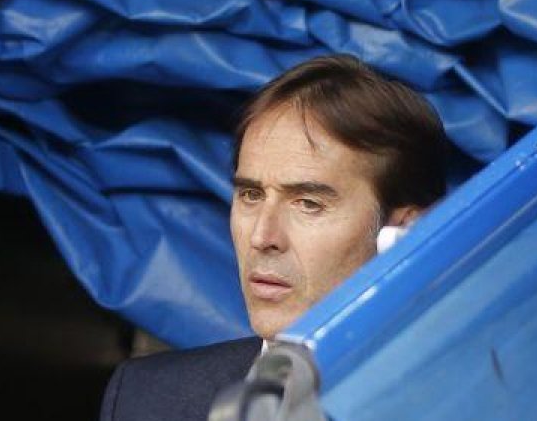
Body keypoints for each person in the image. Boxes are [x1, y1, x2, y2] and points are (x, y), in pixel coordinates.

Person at [100, 54, 449, 421]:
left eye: (309, 204)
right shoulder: (144, 399)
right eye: (251, 195)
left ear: (407, 233)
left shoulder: (473, 402)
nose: (262, 236)